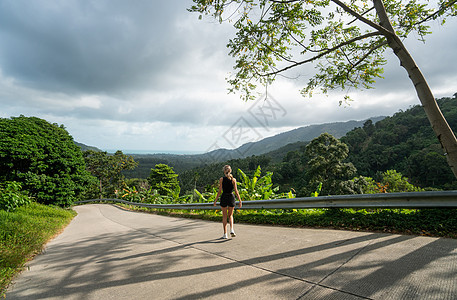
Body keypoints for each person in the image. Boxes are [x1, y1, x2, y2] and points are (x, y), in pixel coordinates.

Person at [214, 165, 242, 239]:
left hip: (224, 197)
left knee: (224, 216)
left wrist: (215, 200)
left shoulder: (221, 179)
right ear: (230, 171)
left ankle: (225, 234)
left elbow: (219, 191)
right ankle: (232, 229)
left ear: (224, 171)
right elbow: (236, 191)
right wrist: (240, 200)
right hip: (231, 197)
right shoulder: (233, 180)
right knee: (230, 215)